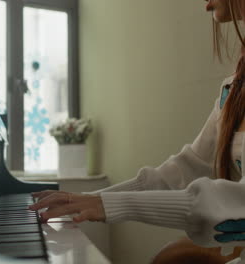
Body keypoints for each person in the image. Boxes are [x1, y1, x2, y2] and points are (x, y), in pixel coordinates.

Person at [29, 0, 245, 263]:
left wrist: (107, 206)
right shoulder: (234, 89)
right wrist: (87, 199)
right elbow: (183, 171)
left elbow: (236, 203)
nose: (206, 4)